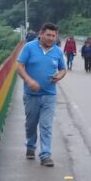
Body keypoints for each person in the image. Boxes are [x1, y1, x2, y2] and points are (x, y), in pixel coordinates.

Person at [16, 22, 67, 167]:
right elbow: (19, 66)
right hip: (31, 95)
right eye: (48, 35)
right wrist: (29, 80)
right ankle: (30, 146)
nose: (51, 38)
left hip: (50, 95)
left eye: (53, 35)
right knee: (31, 124)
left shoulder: (57, 51)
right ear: (41, 34)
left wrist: (60, 75)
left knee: (46, 125)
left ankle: (45, 155)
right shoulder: (29, 47)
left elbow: (63, 69)